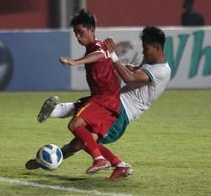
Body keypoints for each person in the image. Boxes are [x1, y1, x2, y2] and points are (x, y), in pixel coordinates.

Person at [27, 26, 171, 180]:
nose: (143, 51)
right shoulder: (150, 62)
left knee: (80, 140)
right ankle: (118, 165)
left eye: (146, 48)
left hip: (121, 112)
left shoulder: (161, 71)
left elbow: (130, 78)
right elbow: (134, 72)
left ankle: (114, 163)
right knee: (81, 139)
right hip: (114, 102)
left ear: (156, 47)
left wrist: (113, 55)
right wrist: (128, 67)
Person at [55, 9, 123, 176]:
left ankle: (99, 160)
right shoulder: (93, 49)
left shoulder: (98, 46)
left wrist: (74, 62)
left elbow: (100, 54)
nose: (78, 37)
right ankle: (120, 165)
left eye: (81, 32)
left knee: (75, 124)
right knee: (86, 141)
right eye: (76, 33)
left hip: (103, 99)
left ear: (92, 30)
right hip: (111, 102)